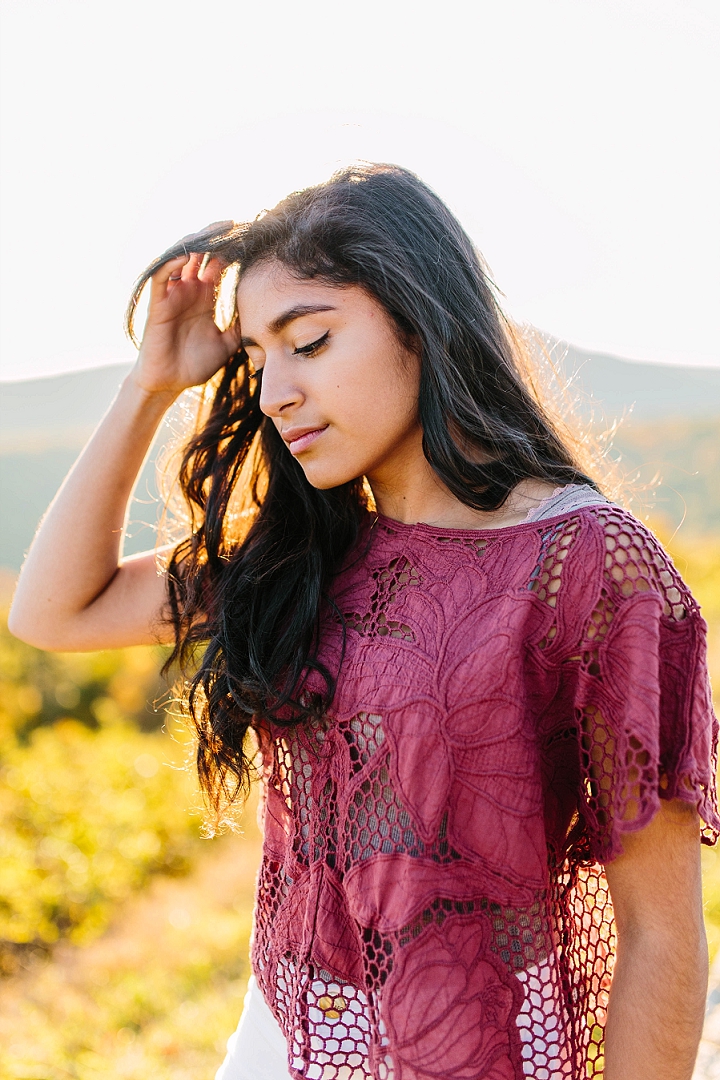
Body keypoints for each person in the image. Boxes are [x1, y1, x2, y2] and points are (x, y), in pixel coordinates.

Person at [8, 163, 717, 1080]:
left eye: (309, 342)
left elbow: (662, 934)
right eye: (258, 361)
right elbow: (56, 610)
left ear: (419, 320)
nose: (272, 396)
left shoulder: (586, 565)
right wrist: (150, 384)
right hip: (280, 1040)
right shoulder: (301, 558)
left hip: (486, 1046)